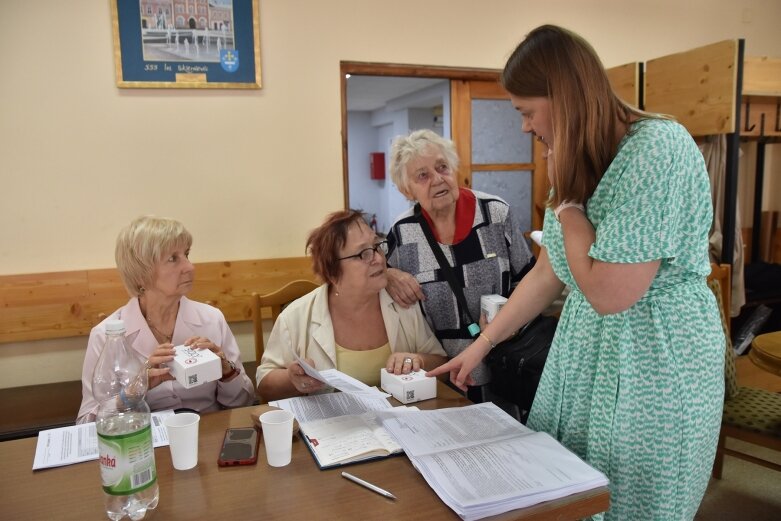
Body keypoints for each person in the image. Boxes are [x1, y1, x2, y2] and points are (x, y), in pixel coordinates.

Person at [428, 25, 725, 520]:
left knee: (631, 503)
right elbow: (548, 274)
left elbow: (611, 292)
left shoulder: (657, 150)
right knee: (566, 496)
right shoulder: (579, 158)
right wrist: (481, 345)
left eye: (527, 111)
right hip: (585, 360)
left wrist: (566, 203)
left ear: (565, 98)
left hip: (653, 361)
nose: (524, 127)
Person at [384, 129, 535, 402]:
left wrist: (511, 324)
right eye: (423, 175)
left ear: (454, 169)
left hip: (506, 365)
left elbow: (529, 279)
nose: (437, 179)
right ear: (406, 190)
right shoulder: (402, 233)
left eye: (442, 167)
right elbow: (377, 282)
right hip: (440, 377)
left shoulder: (495, 214)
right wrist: (388, 273)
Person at [77, 216, 255, 423]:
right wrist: (133, 392)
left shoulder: (211, 320)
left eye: (187, 254)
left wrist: (227, 372)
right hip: (143, 443)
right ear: (141, 273)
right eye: (173, 258)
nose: (190, 267)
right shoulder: (105, 336)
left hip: (207, 435)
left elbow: (244, 401)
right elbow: (85, 424)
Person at [256, 210, 447, 402]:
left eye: (377, 246)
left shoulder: (402, 304)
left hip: (398, 425)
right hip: (329, 428)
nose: (380, 259)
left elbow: (442, 366)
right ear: (333, 273)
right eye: (363, 254)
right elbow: (264, 384)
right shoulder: (296, 317)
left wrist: (419, 361)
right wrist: (291, 379)